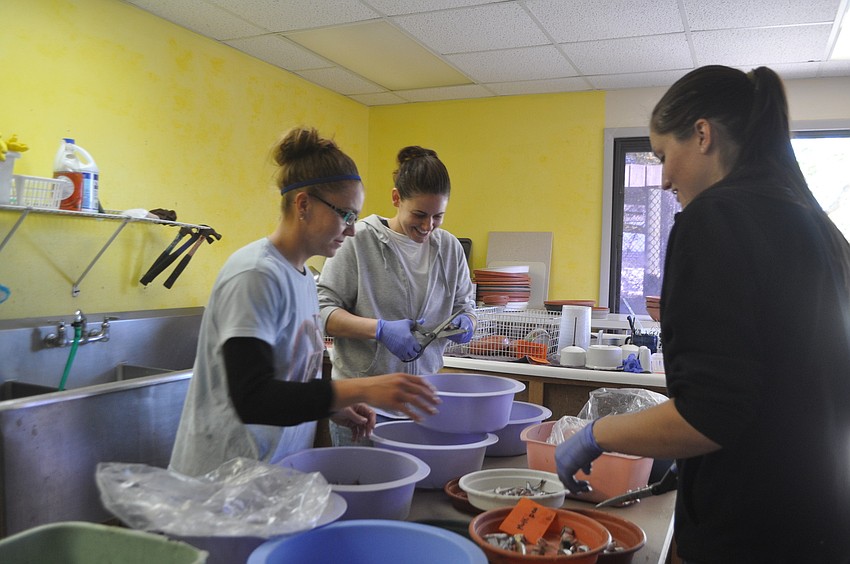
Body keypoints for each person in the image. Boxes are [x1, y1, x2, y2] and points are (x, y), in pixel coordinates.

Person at [555, 66, 850, 563]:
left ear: (703, 134)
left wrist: (595, 434)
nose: (665, 177)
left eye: (664, 156)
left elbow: (709, 415)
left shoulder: (715, 219)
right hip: (822, 520)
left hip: (748, 532)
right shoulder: (823, 231)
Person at [169, 127, 440, 477]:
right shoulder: (255, 274)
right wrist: (363, 387)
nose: (352, 229)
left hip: (266, 474)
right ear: (303, 205)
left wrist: (331, 406)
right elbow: (253, 397)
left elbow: (287, 380)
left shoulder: (301, 277)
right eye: (346, 215)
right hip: (221, 478)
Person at [317, 145, 476, 445]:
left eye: (438, 216)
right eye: (419, 214)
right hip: (361, 408)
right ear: (395, 199)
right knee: (362, 486)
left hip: (421, 408)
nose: (428, 226)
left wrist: (467, 322)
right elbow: (322, 312)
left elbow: (465, 305)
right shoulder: (357, 240)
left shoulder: (450, 248)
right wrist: (379, 330)